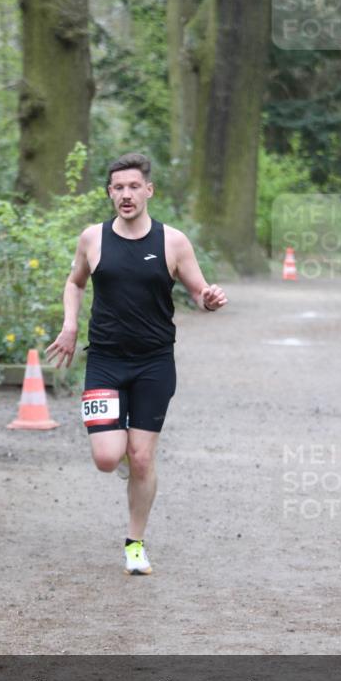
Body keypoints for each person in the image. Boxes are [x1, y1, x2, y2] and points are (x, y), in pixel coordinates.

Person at [46, 153, 227, 575]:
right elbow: (74, 283)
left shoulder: (173, 242)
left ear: (149, 190)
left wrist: (211, 300)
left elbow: (200, 293)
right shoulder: (93, 238)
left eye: (133, 186)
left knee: (142, 459)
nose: (126, 195)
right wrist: (70, 326)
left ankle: (134, 544)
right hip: (105, 362)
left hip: (154, 364)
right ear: (109, 193)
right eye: (118, 188)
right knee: (109, 458)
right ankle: (126, 456)